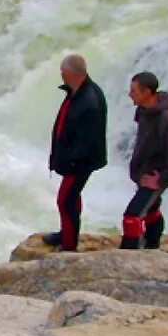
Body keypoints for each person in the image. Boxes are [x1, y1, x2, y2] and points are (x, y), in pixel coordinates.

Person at [44, 53, 107, 252]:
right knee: (71, 197)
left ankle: (69, 246)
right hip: (74, 159)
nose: (61, 75)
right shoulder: (78, 92)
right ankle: (67, 233)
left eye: (62, 72)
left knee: (65, 200)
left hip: (80, 163)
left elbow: (88, 141)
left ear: (69, 73)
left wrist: (69, 161)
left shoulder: (89, 100)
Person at [121, 71, 168, 250]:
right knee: (151, 211)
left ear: (147, 93)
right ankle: (152, 247)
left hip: (156, 175)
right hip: (146, 172)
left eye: (134, 91)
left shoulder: (166, 118)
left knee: (132, 216)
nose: (130, 95)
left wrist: (160, 180)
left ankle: (127, 256)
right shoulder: (145, 111)